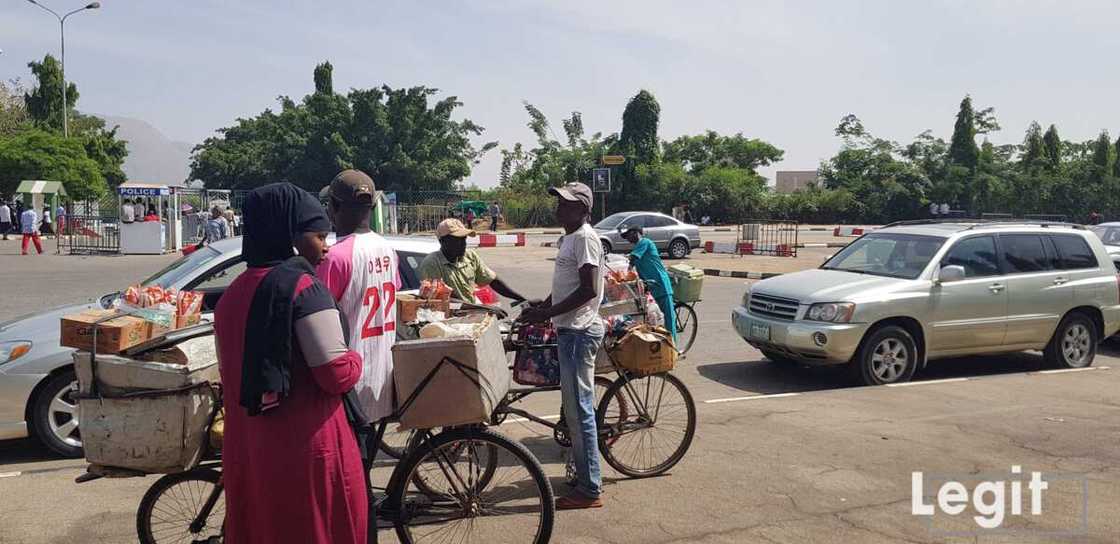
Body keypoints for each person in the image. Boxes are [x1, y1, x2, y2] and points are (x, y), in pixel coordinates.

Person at [213, 182, 367, 544]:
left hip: (248, 448)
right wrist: (357, 357)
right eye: (318, 235)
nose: (326, 248)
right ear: (291, 236)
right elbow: (335, 373)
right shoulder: (304, 289)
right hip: (306, 449)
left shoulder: (232, 294)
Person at [519, 181, 605, 510]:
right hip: (569, 329)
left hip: (579, 333)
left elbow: (588, 290)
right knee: (574, 412)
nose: (559, 209)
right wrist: (545, 306)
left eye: (567, 204)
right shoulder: (569, 237)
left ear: (584, 210)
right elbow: (568, 285)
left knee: (580, 413)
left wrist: (548, 312)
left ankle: (589, 489)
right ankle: (586, 479)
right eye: (558, 203)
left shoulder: (584, 238)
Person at [316, 169, 400, 424]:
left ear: (334, 207)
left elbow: (317, 319)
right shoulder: (387, 248)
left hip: (351, 382)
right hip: (384, 374)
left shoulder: (334, 256)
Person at [418, 218, 527, 304]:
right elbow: (440, 298)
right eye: (456, 241)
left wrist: (521, 299)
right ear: (442, 241)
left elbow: (492, 281)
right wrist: (481, 309)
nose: (462, 245)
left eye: (463, 240)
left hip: (470, 316)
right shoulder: (432, 264)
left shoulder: (470, 256)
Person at [622, 226, 677, 344]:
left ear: (636, 233)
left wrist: (622, 261)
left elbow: (632, 257)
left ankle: (674, 347)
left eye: (628, 235)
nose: (627, 239)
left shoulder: (645, 242)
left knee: (668, 318)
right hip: (650, 288)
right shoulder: (637, 249)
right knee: (652, 318)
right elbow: (630, 266)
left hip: (661, 284)